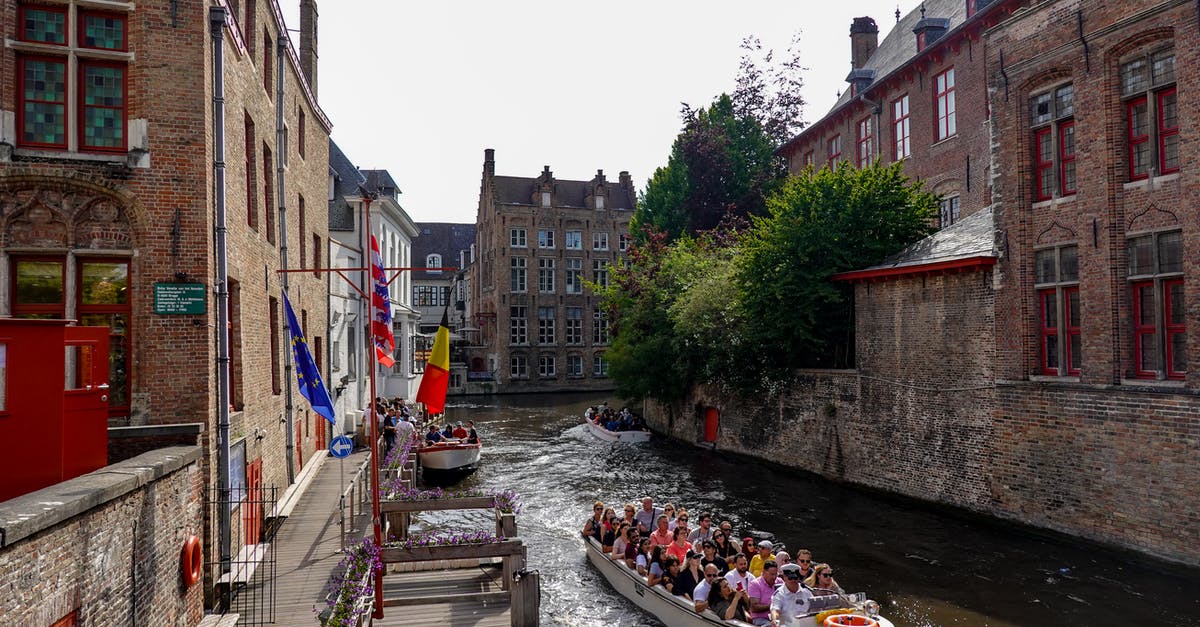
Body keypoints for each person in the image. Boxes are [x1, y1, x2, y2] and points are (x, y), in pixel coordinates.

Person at [747, 560, 779, 625]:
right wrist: (771, 606)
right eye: (772, 574)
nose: (774, 577)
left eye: (776, 574)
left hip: (778, 617)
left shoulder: (779, 582)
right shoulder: (755, 584)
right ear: (764, 572)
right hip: (761, 618)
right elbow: (754, 607)